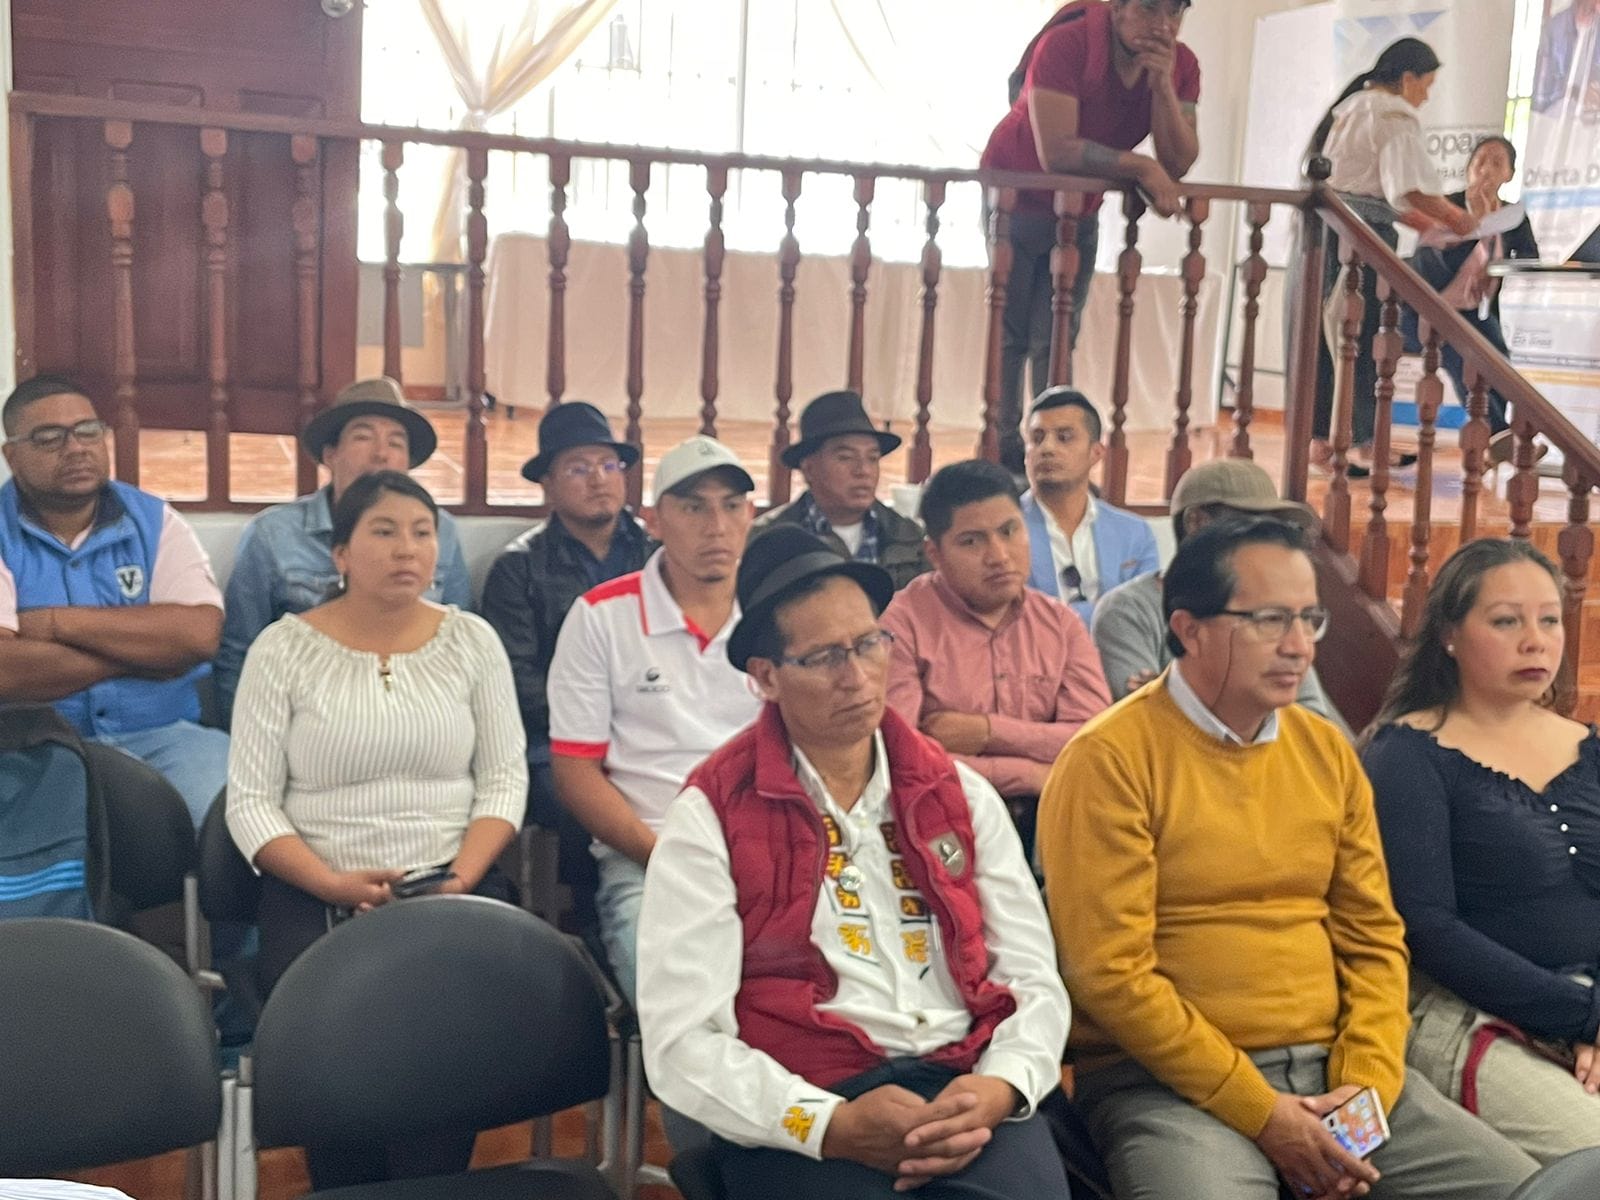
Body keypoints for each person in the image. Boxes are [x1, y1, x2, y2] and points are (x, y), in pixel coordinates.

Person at [1039, 516, 1538, 1200]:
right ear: (1188, 628)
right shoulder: (1109, 760)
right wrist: (1263, 1113)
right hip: (1168, 1086)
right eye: (1270, 620)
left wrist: (1362, 1088)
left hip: (1337, 1071)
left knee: (1533, 1192)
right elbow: (1110, 974)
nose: (1299, 645)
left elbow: (1374, 938)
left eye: (1310, 619)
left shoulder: (1326, 749)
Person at [637, 524, 1073, 1199]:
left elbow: (1033, 976)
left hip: (965, 1080)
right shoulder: (712, 814)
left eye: (870, 644)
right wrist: (826, 1125)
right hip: (809, 1094)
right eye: (824, 657)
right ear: (766, 677)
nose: (859, 677)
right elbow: (682, 1040)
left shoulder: (957, 792)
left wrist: (1002, 1084)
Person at [227, 470, 526, 1189]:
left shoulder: (472, 641)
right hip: (317, 892)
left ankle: (434, 1183)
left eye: (423, 533)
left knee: (450, 1035)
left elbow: (504, 780)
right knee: (339, 1042)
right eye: (384, 532)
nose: (407, 549)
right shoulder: (282, 649)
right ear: (340, 555)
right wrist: (332, 883)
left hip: (451, 883)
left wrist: (461, 877)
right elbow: (250, 803)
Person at [1363, 538, 1600, 1164]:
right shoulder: (1408, 754)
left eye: (1549, 620)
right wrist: (1582, 1016)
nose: (1536, 641)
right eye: (1506, 621)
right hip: (1469, 1012)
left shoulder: (1589, 746)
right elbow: (1425, 927)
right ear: (1449, 634)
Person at [547, 435, 762, 1003]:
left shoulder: (777, 611)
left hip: (772, 851)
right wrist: (665, 857)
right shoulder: (601, 617)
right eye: (694, 507)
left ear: (751, 516)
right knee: (681, 1001)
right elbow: (575, 772)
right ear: (653, 520)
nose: (716, 526)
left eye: (731, 506)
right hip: (649, 856)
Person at [0, 375, 229, 830]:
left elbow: (198, 635)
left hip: (167, 736)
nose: (76, 449)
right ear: (12, 456)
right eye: (50, 438)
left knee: (234, 820)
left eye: (88, 431)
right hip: (32, 746)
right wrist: (146, 657)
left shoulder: (156, 521)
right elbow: (6, 670)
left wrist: (51, 624)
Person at [981, 0, 1200, 473]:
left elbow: (1180, 161)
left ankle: (1051, 452)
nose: (1163, 25)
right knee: (1011, 332)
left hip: (1078, 209)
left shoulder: (1181, 65)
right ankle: (1002, 458)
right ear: (1118, 7)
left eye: (1175, 13)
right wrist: (1141, 166)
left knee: (1058, 335)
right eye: (1149, 9)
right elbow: (1057, 151)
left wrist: (1162, 86)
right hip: (1016, 192)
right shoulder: (1067, 43)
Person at [480, 402, 654, 927]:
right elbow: (516, 677)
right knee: (576, 796)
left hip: (652, 725)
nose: (599, 480)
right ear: (548, 486)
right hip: (555, 739)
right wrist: (595, 726)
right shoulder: (518, 568)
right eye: (578, 469)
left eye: (608, 465)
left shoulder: (658, 556)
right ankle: (590, 926)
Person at [882, 459, 1109, 861]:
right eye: (972, 541)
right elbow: (899, 756)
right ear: (934, 553)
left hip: (1050, 823)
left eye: (1009, 531)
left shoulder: (1060, 624)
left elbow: (1091, 742)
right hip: (940, 821)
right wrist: (1030, 774)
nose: (999, 556)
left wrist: (986, 733)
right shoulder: (903, 623)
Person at [213, 376, 472, 725]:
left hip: (418, 716)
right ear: (331, 455)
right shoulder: (274, 534)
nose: (381, 454)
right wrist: (248, 738)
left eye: (396, 442)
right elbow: (239, 654)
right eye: (363, 437)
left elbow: (460, 642)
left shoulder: (441, 531)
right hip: (306, 720)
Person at [1306, 38, 1476, 478]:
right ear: (1407, 78)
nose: (1426, 96)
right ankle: (1355, 442)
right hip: (1359, 240)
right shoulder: (1393, 114)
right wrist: (1458, 218)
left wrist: (1427, 227)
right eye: (1426, 85)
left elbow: (1375, 193)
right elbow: (1410, 189)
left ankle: (1328, 442)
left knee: (1328, 341)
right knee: (1358, 341)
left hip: (1329, 230)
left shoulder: (1355, 106)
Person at [1091, 457, 1348, 733]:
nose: (1268, 540)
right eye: (1250, 526)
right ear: (1197, 522)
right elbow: (1145, 720)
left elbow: (1310, 728)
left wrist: (1185, 697)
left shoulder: (1283, 611)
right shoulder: (1127, 609)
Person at [1405, 136, 1541, 461]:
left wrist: (1496, 270)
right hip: (1433, 309)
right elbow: (1430, 261)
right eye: (1480, 160)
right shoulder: (1447, 206)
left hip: (1476, 310)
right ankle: (1497, 437)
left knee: (1500, 366)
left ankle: (1498, 439)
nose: (1486, 169)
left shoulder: (1512, 216)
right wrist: (1474, 225)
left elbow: (1529, 258)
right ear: (1468, 168)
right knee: (1465, 359)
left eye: (1496, 163)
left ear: (1509, 174)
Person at [752, 390, 929, 591]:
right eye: (846, 457)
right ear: (809, 468)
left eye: (872, 458)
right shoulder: (765, 538)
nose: (863, 471)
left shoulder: (913, 538)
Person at [1019, 387, 1157, 622]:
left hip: (1115, 646)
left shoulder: (1134, 533)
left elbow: (1145, 614)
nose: (1047, 448)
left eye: (1064, 437)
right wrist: (1101, 613)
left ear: (1096, 452)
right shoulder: (1002, 529)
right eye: (1037, 438)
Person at [1532, 0, 1600, 115]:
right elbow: (1542, 91)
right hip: (1553, 118)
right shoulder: (1554, 29)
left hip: (1591, 121)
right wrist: (1578, 93)